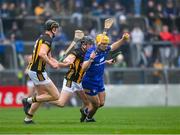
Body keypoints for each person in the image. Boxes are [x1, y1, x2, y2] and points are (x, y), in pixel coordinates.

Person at [22, 19, 71, 124]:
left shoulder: (42, 38)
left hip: (34, 70)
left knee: (41, 96)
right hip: (38, 71)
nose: (57, 31)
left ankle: (28, 118)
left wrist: (62, 64)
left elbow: (49, 57)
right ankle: (28, 101)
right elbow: (42, 54)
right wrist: (51, 63)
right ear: (53, 29)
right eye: (56, 29)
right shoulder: (47, 39)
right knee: (56, 95)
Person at [81, 32, 129, 122]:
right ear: (98, 43)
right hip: (89, 82)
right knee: (96, 104)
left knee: (101, 103)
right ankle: (88, 118)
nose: (105, 45)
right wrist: (91, 59)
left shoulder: (105, 49)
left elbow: (114, 46)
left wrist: (123, 40)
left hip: (99, 80)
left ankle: (86, 111)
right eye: (103, 44)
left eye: (106, 43)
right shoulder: (91, 51)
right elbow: (84, 68)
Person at [51, 36, 96, 122]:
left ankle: (83, 113)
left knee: (87, 102)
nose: (91, 46)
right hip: (70, 80)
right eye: (90, 44)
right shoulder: (77, 52)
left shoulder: (89, 53)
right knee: (61, 103)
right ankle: (43, 99)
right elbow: (70, 57)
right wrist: (67, 60)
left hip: (79, 82)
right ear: (84, 45)